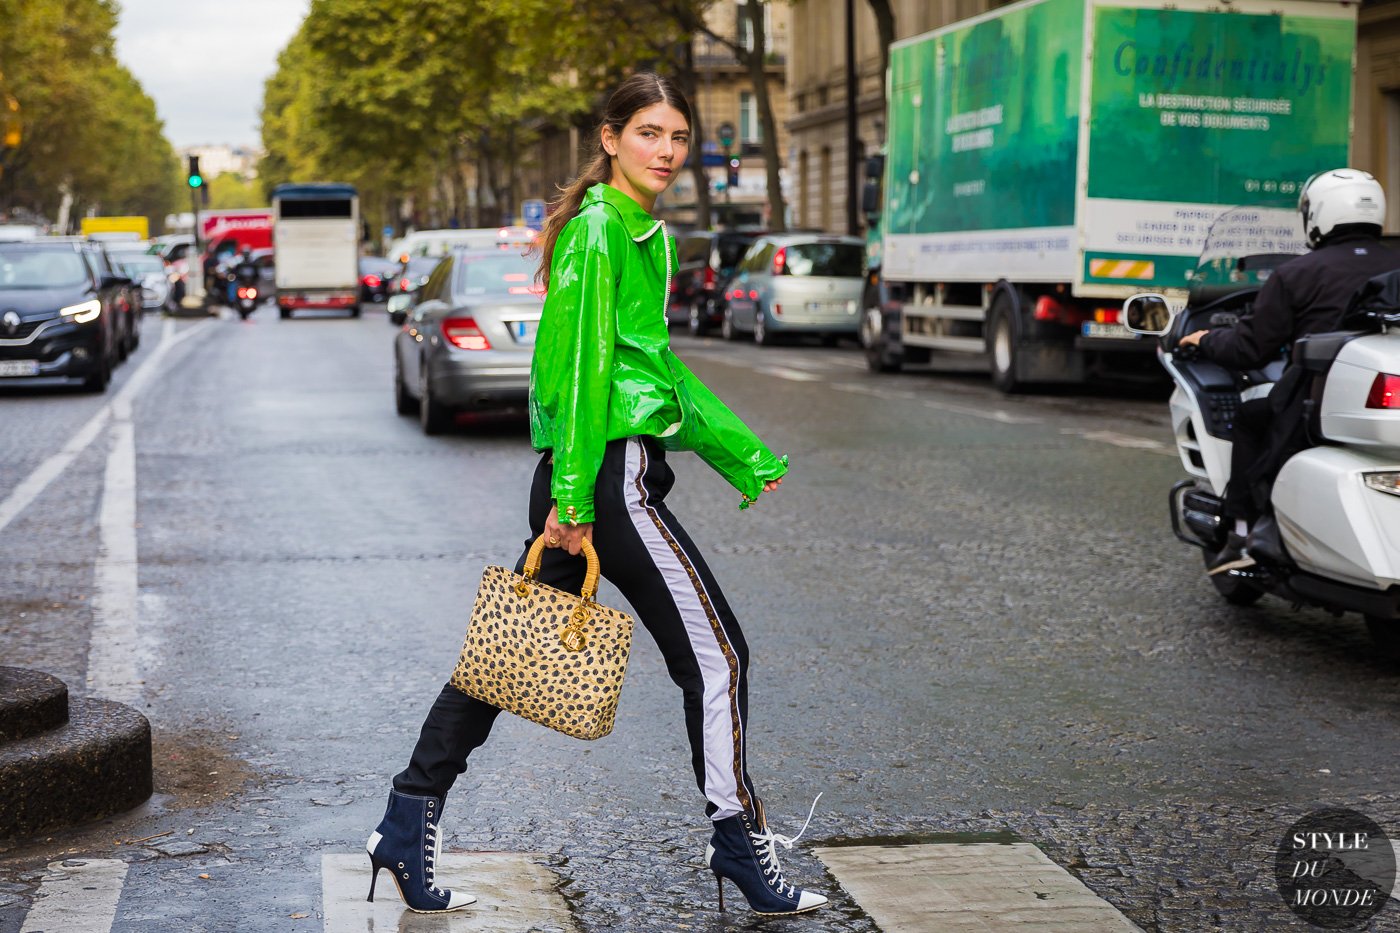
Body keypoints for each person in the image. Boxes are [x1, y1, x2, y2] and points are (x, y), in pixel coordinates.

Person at [364, 73, 828, 918]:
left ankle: (407, 815)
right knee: (719, 661)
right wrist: (574, 498)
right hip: (605, 478)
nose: (668, 151)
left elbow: (653, 369)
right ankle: (736, 833)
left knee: (504, 659)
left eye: (679, 137)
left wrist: (742, 453)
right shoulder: (595, 235)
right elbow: (579, 374)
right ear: (609, 139)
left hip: (604, 472)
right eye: (650, 133)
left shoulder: (643, 236)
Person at [1178, 168, 1399, 573]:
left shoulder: (1297, 274)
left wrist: (1203, 340)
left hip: (1318, 398)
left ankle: (1243, 532)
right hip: (1386, 401)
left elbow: (1249, 347)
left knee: (1249, 417)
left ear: (1318, 215)